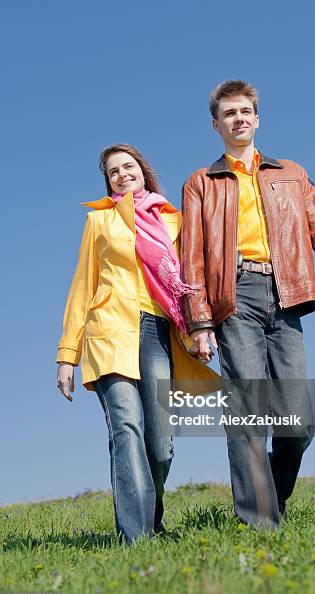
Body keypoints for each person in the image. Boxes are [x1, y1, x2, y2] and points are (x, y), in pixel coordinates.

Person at [182, 80, 315, 528]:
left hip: (286, 294)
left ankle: (273, 496)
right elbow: (190, 255)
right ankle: (259, 522)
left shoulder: (290, 173)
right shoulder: (200, 183)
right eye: (229, 114)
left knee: (298, 422)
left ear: (257, 118)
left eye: (246, 111)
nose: (239, 119)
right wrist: (199, 322)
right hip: (235, 296)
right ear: (216, 124)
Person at [56, 144, 218, 543]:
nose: (122, 175)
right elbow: (82, 286)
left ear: (143, 171)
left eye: (128, 167)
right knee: (126, 428)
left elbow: (190, 281)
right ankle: (137, 537)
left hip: (158, 334)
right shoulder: (99, 221)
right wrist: (67, 355)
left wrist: (200, 328)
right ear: (108, 182)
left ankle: (152, 516)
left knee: (160, 443)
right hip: (108, 332)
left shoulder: (174, 221)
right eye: (113, 172)